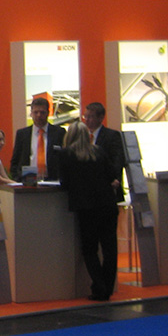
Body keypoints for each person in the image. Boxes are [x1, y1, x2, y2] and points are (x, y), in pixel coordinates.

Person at [59, 122, 120, 301]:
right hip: (108, 205)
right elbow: (112, 175)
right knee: (110, 249)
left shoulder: (66, 154)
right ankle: (107, 287)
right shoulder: (99, 151)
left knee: (89, 249)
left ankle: (99, 287)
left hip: (86, 208)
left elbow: (64, 183)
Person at [8, 96, 66, 181]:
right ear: (31, 113)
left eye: (42, 112)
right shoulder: (22, 134)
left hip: (53, 182)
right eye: (36, 112)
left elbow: (64, 159)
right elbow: (15, 160)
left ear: (48, 113)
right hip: (28, 182)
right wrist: (17, 178)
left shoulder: (59, 133)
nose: (39, 115)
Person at [84, 102, 125, 202]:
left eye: (91, 117)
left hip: (106, 186)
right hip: (87, 188)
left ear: (101, 118)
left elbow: (117, 159)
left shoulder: (111, 135)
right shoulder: (83, 136)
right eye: (85, 116)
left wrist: (115, 179)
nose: (87, 120)